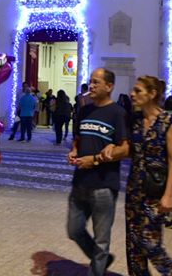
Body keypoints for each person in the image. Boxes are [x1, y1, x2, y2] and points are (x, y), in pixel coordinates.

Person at [106, 76, 172, 275]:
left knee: (151, 243)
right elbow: (128, 148)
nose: (132, 94)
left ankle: (170, 272)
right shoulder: (135, 120)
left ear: (152, 94)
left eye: (138, 91)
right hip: (135, 188)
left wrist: (169, 193)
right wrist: (113, 147)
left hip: (155, 192)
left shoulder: (168, 122)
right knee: (134, 246)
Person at [67, 68, 129, 275]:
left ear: (109, 86)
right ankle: (101, 259)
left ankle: (97, 268)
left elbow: (125, 148)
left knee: (102, 240)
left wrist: (94, 160)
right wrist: (74, 150)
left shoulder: (118, 113)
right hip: (80, 182)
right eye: (90, 82)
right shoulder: (84, 110)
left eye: (96, 82)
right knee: (74, 230)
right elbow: (78, 138)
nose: (91, 86)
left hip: (104, 185)